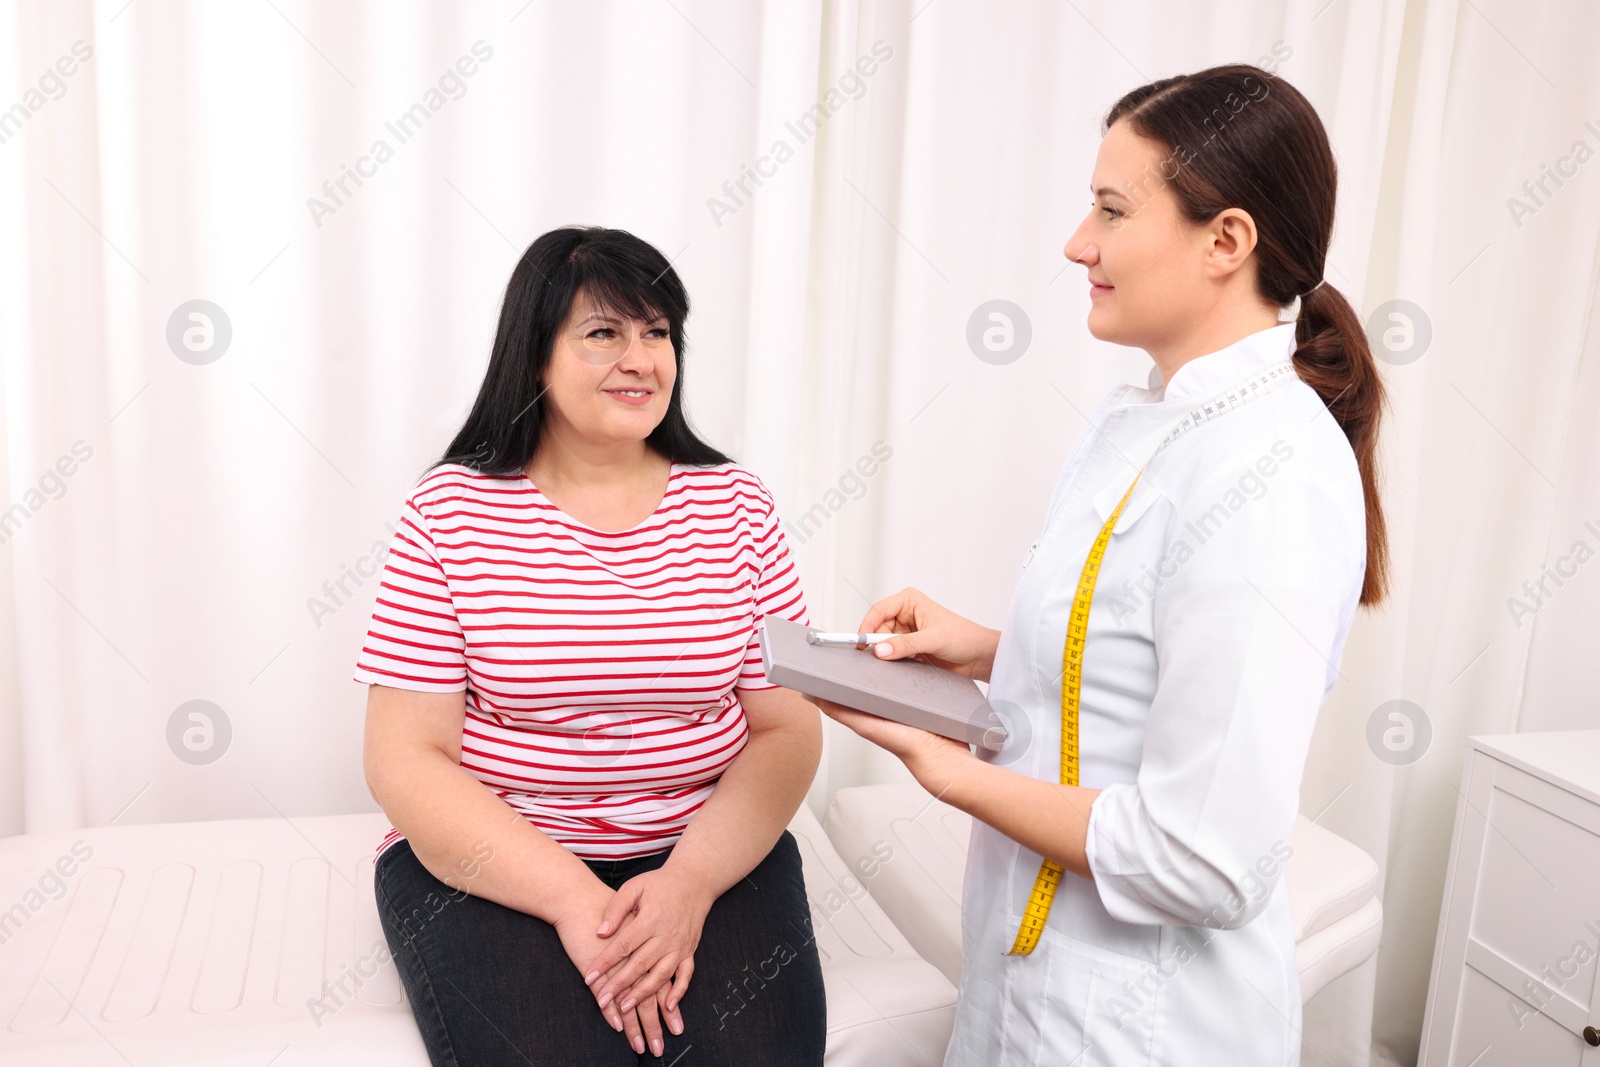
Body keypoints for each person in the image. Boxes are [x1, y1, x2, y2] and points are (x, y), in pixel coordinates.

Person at [819, 66, 1388, 1065]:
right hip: (1034, 985)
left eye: (1111, 208)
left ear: (1227, 241)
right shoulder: (1151, 418)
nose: (1078, 241)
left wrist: (943, 771)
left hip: (1140, 1029)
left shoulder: (1273, 478)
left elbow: (1205, 857)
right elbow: (1141, 650)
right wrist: (987, 649)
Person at [357, 226, 827, 1066]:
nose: (640, 357)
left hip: (704, 846)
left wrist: (686, 884)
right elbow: (405, 756)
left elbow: (787, 728)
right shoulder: (449, 512)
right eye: (603, 332)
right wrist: (575, 900)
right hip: (503, 854)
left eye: (657, 333)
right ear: (534, 356)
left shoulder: (737, 506)